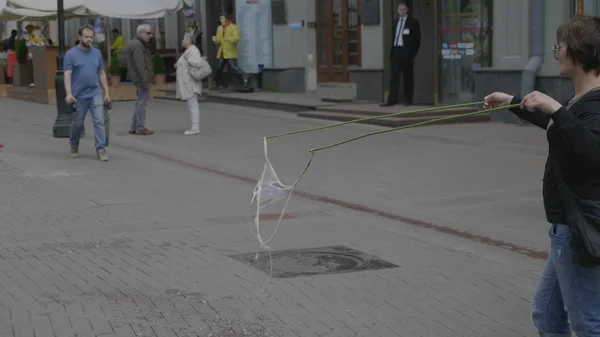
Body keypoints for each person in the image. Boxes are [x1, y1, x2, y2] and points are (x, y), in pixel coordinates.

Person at [484, 16, 600, 337]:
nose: (555, 53)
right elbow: (558, 127)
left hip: (579, 231)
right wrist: (511, 102)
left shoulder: (595, 104)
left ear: (578, 53)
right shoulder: (580, 100)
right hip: (567, 229)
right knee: (547, 317)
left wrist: (556, 110)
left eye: (559, 46)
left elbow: (593, 154)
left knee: (588, 325)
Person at [64, 24, 111, 162]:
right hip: (79, 95)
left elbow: (101, 73)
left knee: (99, 121)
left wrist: (106, 92)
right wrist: (69, 93)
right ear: (79, 37)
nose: (89, 39)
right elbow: (67, 74)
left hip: (95, 92)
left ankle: (101, 150)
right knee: (78, 123)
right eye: (86, 37)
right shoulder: (71, 54)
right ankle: (74, 145)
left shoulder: (96, 53)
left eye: (91, 37)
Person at [381, 2, 421, 107]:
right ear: (398, 11)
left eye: (403, 9)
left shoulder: (412, 22)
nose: (401, 11)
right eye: (400, 9)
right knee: (394, 77)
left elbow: (417, 40)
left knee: (408, 77)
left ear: (407, 10)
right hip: (396, 52)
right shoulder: (395, 22)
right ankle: (391, 100)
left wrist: (412, 54)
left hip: (407, 53)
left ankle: (408, 99)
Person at [127, 24, 154, 135]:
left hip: (138, 77)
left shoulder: (136, 43)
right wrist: (145, 80)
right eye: (148, 33)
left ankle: (134, 126)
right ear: (141, 33)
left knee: (140, 102)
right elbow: (140, 65)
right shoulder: (138, 45)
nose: (150, 35)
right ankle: (140, 127)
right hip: (141, 78)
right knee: (142, 102)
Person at [175, 33, 205, 135]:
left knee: (193, 104)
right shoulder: (188, 51)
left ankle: (195, 127)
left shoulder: (193, 50)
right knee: (191, 104)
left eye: (184, 39)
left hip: (190, 82)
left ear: (190, 41)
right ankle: (194, 126)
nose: (182, 41)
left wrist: (188, 60)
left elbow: (197, 63)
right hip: (187, 81)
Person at [211, 13, 248, 88]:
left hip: (230, 51)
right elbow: (219, 40)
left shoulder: (233, 27)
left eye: (222, 18)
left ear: (226, 19)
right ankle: (219, 83)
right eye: (220, 19)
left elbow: (237, 38)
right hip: (222, 51)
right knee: (219, 67)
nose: (221, 20)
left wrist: (230, 39)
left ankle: (245, 77)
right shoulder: (219, 28)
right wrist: (215, 40)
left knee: (234, 67)